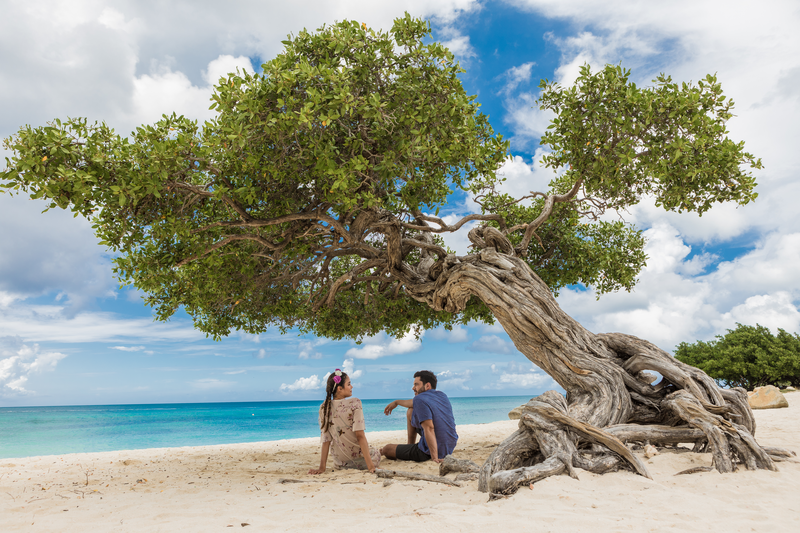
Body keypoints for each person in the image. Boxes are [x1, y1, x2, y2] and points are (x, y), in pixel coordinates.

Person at [308, 369, 379, 474]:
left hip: (340, 464)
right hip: (362, 462)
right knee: (376, 451)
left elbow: (326, 439)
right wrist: (371, 467)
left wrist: (322, 468)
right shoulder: (355, 403)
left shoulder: (324, 407)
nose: (352, 387)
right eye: (349, 384)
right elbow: (360, 436)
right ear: (340, 388)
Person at [380, 370, 458, 463]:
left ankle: (410, 451)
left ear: (427, 385)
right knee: (410, 410)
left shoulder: (419, 399)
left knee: (387, 449)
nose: (413, 388)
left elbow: (429, 428)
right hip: (448, 447)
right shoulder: (442, 395)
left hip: (430, 451)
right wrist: (397, 402)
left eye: (416, 384)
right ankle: (410, 445)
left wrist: (434, 458)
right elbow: (411, 403)